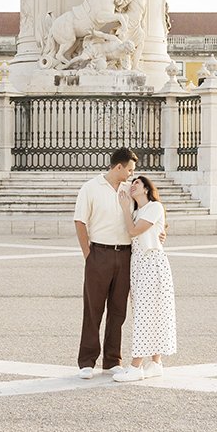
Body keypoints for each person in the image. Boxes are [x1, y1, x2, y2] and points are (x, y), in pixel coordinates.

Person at [73, 148, 136, 378]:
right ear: (118, 167)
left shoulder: (130, 189)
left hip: (125, 254)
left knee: (118, 310)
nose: (131, 174)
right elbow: (80, 222)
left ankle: (112, 360)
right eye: (129, 169)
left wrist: (160, 232)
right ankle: (87, 361)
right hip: (99, 253)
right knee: (93, 309)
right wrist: (88, 255)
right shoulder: (90, 188)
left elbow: (149, 210)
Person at [112, 174, 176, 382]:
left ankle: (136, 365)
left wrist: (123, 207)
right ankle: (155, 363)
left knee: (144, 314)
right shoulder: (137, 210)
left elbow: (133, 231)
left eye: (137, 183)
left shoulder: (154, 207)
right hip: (139, 264)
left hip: (151, 263)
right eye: (132, 183)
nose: (133, 186)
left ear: (147, 189)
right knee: (150, 312)